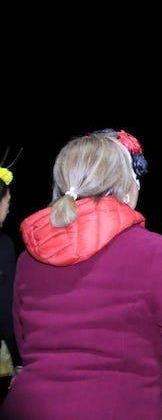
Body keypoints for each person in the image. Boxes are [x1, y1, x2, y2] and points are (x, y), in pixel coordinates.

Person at [0, 129, 162, 420]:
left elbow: (24, 341)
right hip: (122, 406)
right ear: (124, 186)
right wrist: (142, 377)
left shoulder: (30, 257)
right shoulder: (153, 251)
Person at [0, 151, 22, 404]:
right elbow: (7, 310)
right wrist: (18, 360)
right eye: (7, 201)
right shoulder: (4, 245)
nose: (8, 207)